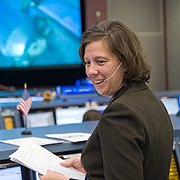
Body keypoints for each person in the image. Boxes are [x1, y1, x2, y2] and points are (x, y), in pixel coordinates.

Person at [39, 20, 173, 180]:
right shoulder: (150, 100)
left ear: (126, 64)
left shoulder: (120, 113)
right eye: (87, 63)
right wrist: (96, 166)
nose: (91, 71)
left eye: (100, 61)